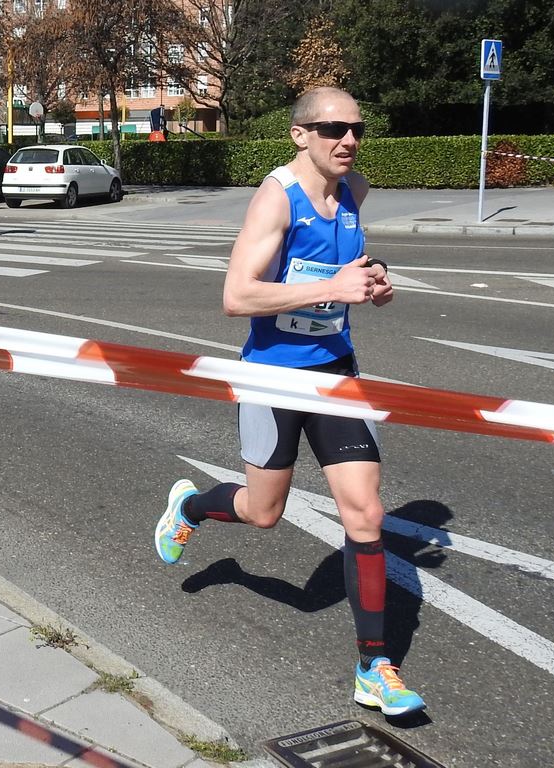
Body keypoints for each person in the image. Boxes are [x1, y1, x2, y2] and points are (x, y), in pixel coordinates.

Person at [154, 86, 424, 717]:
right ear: (299, 134)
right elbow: (237, 296)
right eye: (332, 128)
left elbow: (346, 266)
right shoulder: (277, 197)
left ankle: (372, 667)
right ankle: (190, 505)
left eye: (356, 127)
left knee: (366, 514)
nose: (348, 139)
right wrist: (330, 285)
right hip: (273, 378)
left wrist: (370, 279)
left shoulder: (355, 192)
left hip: (335, 374)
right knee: (264, 513)